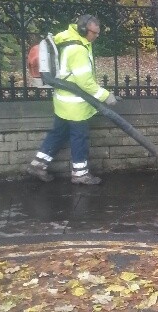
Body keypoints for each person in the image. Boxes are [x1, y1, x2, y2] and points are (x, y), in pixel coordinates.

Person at [27, 15, 118, 185]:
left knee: (58, 133)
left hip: (62, 101)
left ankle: (38, 164)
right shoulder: (78, 50)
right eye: (94, 33)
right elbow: (85, 82)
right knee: (79, 137)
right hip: (76, 105)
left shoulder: (66, 37)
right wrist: (106, 96)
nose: (97, 36)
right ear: (84, 30)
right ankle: (80, 173)